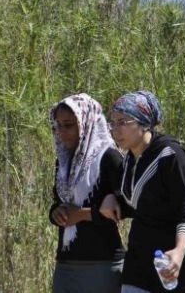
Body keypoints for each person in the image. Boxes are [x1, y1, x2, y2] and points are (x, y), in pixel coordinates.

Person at [100, 90, 185, 293]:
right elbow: (138, 202)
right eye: (113, 123)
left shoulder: (171, 156)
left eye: (123, 122)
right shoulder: (129, 159)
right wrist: (112, 198)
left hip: (174, 264)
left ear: (144, 122)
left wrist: (179, 252)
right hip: (139, 263)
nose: (115, 130)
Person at [48, 93, 125, 293]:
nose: (62, 132)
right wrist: (57, 212)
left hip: (102, 263)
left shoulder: (109, 158)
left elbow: (127, 207)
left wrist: (83, 214)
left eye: (69, 125)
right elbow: (59, 201)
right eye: (58, 126)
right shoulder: (64, 161)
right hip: (66, 263)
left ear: (86, 122)